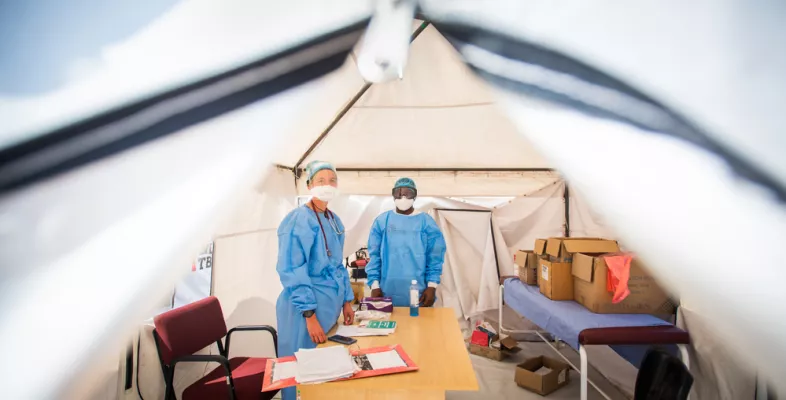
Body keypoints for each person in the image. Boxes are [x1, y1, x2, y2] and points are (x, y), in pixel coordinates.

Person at [275, 161, 354, 400]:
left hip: (328, 306)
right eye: (321, 181)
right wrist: (309, 315)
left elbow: (338, 265)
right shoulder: (298, 221)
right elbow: (291, 268)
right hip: (302, 310)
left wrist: (347, 300)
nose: (327, 185)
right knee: (301, 370)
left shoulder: (334, 220)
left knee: (321, 371)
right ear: (309, 184)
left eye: (332, 180)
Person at [366, 177, 447, 307]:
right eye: (398, 193)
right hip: (386, 290)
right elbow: (374, 256)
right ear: (393, 195)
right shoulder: (382, 222)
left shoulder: (426, 223)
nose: (403, 197)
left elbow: (435, 257)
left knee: (417, 326)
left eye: (408, 193)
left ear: (414, 196)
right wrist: (374, 285)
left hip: (419, 292)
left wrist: (432, 286)